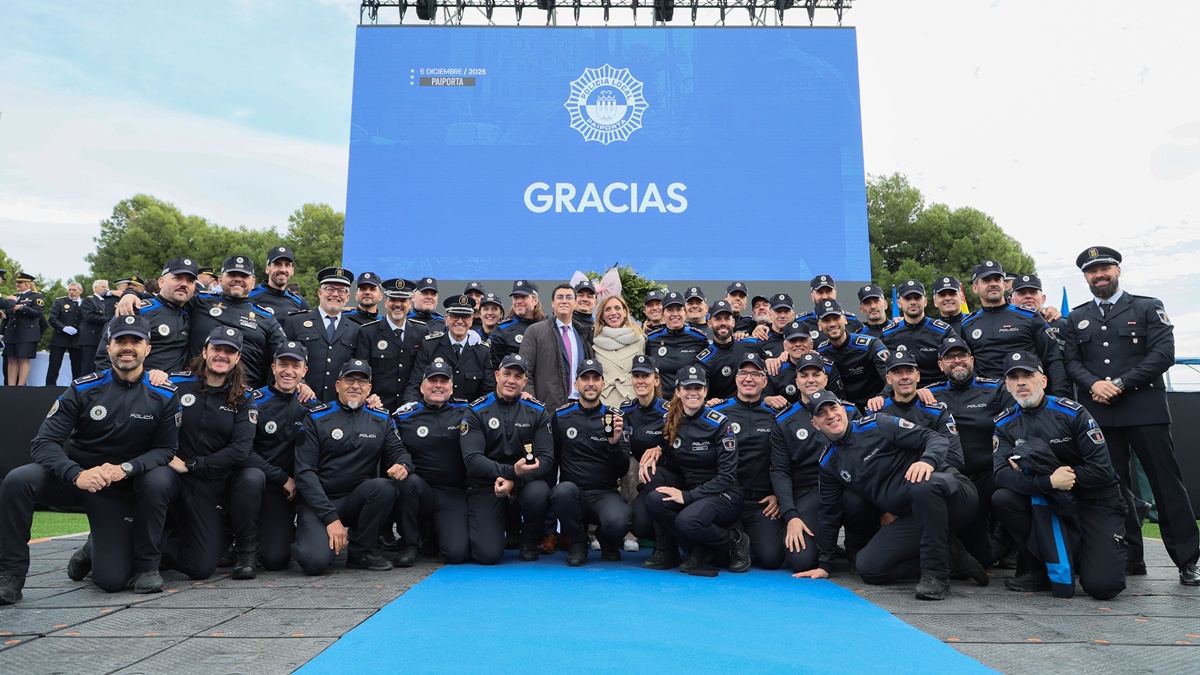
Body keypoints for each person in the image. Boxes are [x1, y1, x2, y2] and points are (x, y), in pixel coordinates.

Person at [0, 315, 177, 603]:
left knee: (112, 580)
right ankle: (10, 575)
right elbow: (44, 442)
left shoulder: (164, 395)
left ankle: (91, 549)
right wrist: (76, 474)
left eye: (135, 341)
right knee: (18, 480)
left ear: (148, 349)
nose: (127, 347)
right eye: (120, 341)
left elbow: (166, 449)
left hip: (118, 489)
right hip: (75, 479)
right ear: (109, 348)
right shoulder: (82, 388)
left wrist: (126, 468)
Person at [1062, 246, 1199, 585]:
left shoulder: (1148, 307)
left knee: (1166, 485)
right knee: (1113, 488)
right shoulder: (1077, 317)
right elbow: (1071, 362)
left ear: (1118, 270)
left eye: (1104, 268)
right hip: (1099, 412)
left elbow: (1163, 354)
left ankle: (1188, 560)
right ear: (1085, 277)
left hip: (1144, 408)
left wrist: (1119, 384)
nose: (1099, 275)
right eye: (1092, 271)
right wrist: (1093, 383)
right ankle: (1130, 557)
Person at [794, 390, 984, 600]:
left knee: (920, 484)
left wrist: (927, 461)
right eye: (822, 413)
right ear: (815, 424)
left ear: (843, 410)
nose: (830, 415)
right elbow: (829, 513)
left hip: (953, 498)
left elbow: (934, 438)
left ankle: (937, 575)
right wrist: (824, 564)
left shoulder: (878, 423)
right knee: (868, 568)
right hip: (915, 516)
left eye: (833, 408)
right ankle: (952, 559)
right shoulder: (829, 463)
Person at [991, 351, 1129, 599]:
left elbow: (1102, 470)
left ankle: (1085, 554)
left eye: (1028, 375)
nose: (1021, 382)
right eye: (1014, 378)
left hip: (1094, 500)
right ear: (1007, 385)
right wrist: (1050, 481)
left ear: (1043, 380)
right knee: (1003, 498)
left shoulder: (1073, 413)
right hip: (1047, 500)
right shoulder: (1004, 424)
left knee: (1103, 586)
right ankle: (1040, 568)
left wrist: (1066, 478)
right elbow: (1001, 475)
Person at [291, 359, 412, 575]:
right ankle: (302, 536)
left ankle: (360, 552)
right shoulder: (316, 417)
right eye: (350, 380)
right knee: (315, 562)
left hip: (356, 500)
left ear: (369, 388)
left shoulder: (381, 419)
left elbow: (399, 451)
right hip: (320, 502)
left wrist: (403, 464)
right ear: (338, 385)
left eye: (362, 381)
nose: (355, 386)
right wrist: (330, 518)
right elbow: (304, 473)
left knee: (384, 487)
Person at [158, 327, 257, 581]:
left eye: (229, 351)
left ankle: (135, 542)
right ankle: (116, 543)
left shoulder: (244, 397)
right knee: (155, 483)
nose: (222, 355)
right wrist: (152, 375)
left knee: (201, 567)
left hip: (207, 484)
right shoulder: (175, 384)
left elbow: (240, 449)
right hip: (169, 478)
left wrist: (193, 465)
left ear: (237, 358)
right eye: (217, 349)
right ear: (204, 351)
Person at [117, 255, 288, 389]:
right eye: (232, 274)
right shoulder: (200, 302)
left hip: (243, 393)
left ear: (253, 282)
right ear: (220, 279)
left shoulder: (265, 317)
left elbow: (284, 353)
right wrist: (131, 295)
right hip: (194, 389)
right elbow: (166, 298)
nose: (238, 279)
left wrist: (298, 381)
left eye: (244, 275)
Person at [643, 366, 749, 573]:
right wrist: (657, 451)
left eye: (698, 388)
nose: (693, 392)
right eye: (687, 388)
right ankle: (696, 549)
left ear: (705, 391)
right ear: (678, 391)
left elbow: (727, 476)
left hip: (724, 494)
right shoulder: (671, 420)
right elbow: (675, 456)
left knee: (687, 521)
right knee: (655, 500)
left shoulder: (719, 423)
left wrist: (688, 496)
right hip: (694, 492)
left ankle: (735, 540)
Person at [926, 336, 1013, 567]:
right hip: (955, 480)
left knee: (1013, 488)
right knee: (981, 559)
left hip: (990, 475)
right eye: (949, 357)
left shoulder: (996, 389)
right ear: (940, 365)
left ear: (972, 360)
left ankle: (1005, 534)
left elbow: (1017, 424)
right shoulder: (928, 394)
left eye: (962, 355)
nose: (957, 361)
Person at [459, 354, 554, 563]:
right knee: (488, 555)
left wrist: (514, 481)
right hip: (486, 485)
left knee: (539, 492)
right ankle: (506, 528)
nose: (511, 380)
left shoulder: (537, 411)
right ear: (496, 375)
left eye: (518, 376)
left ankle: (528, 540)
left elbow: (547, 459)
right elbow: (472, 460)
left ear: (525, 382)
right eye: (507, 374)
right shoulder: (476, 410)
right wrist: (510, 472)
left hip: (524, 484)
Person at [235, 341, 319, 575]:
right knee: (274, 559)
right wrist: (282, 478)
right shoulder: (253, 401)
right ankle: (244, 543)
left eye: (295, 366)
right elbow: (243, 452)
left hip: (299, 487)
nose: (288, 371)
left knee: (283, 557)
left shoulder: (312, 405)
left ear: (304, 371)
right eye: (283, 364)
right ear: (273, 367)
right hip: (268, 484)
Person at [551, 360, 632, 565]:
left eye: (596, 379)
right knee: (561, 492)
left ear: (603, 384)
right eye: (585, 378)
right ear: (576, 384)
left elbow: (622, 469)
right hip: (573, 493)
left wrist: (614, 444)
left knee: (620, 522)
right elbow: (552, 459)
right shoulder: (561, 416)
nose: (590, 383)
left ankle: (605, 537)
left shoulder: (616, 418)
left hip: (604, 494)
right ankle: (578, 541)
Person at [392, 361, 472, 565]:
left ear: (451, 388)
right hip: (420, 490)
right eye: (432, 380)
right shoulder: (403, 416)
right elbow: (389, 445)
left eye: (443, 381)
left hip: (452, 491)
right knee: (406, 482)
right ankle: (410, 543)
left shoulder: (467, 411)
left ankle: (433, 536)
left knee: (456, 554)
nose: (438, 385)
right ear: (421, 387)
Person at [711, 354, 785, 570]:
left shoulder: (778, 415)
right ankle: (738, 538)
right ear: (736, 378)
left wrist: (778, 496)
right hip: (727, 499)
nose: (748, 379)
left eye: (755, 374)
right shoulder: (717, 412)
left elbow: (785, 461)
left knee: (771, 559)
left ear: (765, 381)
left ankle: (752, 539)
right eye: (743, 373)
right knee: (719, 559)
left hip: (762, 502)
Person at [769, 354, 840, 573]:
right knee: (801, 561)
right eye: (804, 375)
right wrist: (791, 515)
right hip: (809, 492)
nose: (811, 380)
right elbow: (780, 471)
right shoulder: (784, 421)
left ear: (825, 379)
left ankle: (857, 546)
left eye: (816, 374)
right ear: (796, 381)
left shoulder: (846, 411)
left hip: (845, 488)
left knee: (857, 502)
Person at [961, 260, 1068, 396]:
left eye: (997, 279)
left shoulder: (1030, 316)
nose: (993, 283)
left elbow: (1053, 359)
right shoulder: (967, 324)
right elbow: (966, 366)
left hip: (1027, 395)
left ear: (1004, 285)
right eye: (986, 280)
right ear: (975, 288)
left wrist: (1060, 396)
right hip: (987, 398)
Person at [622, 355, 679, 569]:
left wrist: (660, 448)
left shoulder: (670, 410)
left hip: (673, 477)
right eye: (636, 376)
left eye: (645, 376)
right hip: (647, 480)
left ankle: (665, 550)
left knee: (654, 476)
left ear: (656, 380)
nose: (640, 381)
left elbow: (681, 447)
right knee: (636, 521)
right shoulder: (626, 410)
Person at [96, 257, 197, 374]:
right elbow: (105, 355)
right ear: (161, 282)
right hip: (141, 384)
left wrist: (130, 293)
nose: (184, 284)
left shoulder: (191, 311)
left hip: (176, 384)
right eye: (177, 278)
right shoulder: (138, 310)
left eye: (190, 281)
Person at [283, 267, 369, 402]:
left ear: (348, 297)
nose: (335, 294)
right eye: (330, 289)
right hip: (299, 399)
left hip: (336, 405)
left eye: (341, 291)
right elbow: (280, 361)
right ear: (320, 293)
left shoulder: (355, 329)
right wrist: (300, 383)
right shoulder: (296, 322)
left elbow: (359, 371)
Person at [407, 295, 495, 404]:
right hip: (434, 410)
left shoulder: (482, 351)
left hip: (468, 412)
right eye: (455, 316)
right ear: (446, 319)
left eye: (465, 317)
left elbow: (488, 391)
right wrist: (411, 407)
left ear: (471, 320)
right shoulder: (429, 346)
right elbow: (415, 384)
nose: (460, 321)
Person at [519, 283, 594, 409]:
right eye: (560, 297)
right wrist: (532, 403)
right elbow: (525, 370)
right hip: (547, 408)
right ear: (552, 303)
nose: (564, 301)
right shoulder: (535, 331)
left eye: (569, 297)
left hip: (580, 406)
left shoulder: (583, 334)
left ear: (575, 303)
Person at [359, 278, 428, 411]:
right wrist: (370, 397)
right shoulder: (368, 332)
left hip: (411, 405)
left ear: (410, 303)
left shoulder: (421, 331)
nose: (397, 304)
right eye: (393, 300)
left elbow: (421, 371)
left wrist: (411, 401)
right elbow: (363, 372)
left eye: (402, 300)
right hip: (377, 406)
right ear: (385, 303)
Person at [814, 300, 890, 408]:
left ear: (845, 319)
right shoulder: (821, 352)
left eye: (836, 318)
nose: (832, 324)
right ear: (819, 326)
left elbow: (891, 376)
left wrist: (882, 396)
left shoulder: (871, 345)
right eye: (826, 320)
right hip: (843, 410)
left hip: (877, 406)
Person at [880, 280, 954, 386]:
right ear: (899, 303)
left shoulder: (943, 331)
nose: (913, 302)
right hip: (902, 390)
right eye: (908, 298)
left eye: (917, 297)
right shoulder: (887, 334)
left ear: (925, 301)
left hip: (937, 389)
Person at [643, 292, 707, 398]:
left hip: (690, 400)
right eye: (670, 310)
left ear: (685, 312)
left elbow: (707, 372)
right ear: (663, 314)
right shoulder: (652, 339)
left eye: (679, 309)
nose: (675, 314)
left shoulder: (699, 338)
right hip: (661, 402)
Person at [763, 322, 842, 409]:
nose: (797, 344)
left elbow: (838, 400)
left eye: (802, 340)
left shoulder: (827, 367)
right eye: (792, 341)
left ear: (811, 344)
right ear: (785, 346)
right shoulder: (775, 369)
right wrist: (768, 399)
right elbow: (762, 398)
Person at [697, 300, 764, 401]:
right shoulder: (704, 360)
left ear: (733, 322)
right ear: (709, 323)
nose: (723, 323)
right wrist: (708, 402)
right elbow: (702, 394)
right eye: (718, 319)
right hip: (724, 409)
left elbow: (769, 371)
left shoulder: (751, 344)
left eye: (727, 319)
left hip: (755, 406)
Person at [591, 293, 646, 407]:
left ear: (625, 312)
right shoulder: (594, 340)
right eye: (608, 309)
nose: (613, 313)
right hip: (604, 401)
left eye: (617, 308)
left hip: (631, 400)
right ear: (602, 315)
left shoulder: (638, 338)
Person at [490, 280, 542, 370]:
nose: (518, 301)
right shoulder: (502, 329)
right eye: (515, 297)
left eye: (524, 297)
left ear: (535, 300)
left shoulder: (546, 327)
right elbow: (493, 367)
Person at [4, 272, 46, 386]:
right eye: (17, 282)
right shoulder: (14, 296)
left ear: (28, 284)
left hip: (27, 333)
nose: (18, 284)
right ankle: (11, 386)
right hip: (13, 332)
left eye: (21, 282)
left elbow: (38, 313)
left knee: (23, 359)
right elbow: (8, 315)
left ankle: (21, 386)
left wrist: (21, 307)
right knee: (11, 359)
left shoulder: (36, 296)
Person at [248, 246, 310, 319]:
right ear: (267, 269)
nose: (283, 270)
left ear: (292, 271)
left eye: (287, 265)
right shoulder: (250, 296)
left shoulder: (300, 302)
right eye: (277, 264)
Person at [796, 275, 864, 339]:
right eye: (820, 293)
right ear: (812, 296)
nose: (825, 297)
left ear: (835, 294)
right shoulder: (801, 322)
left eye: (829, 292)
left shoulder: (853, 322)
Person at [46, 281, 84, 383]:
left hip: (77, 339)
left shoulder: (85, 303)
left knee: (77, 368)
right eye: (70, 290)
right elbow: (53, 318)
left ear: (80, 291)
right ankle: (49, 388)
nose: (71, 292)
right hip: (60, 338)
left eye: (74, 290)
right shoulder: (60, 302)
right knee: (54, 367)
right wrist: (63, 328)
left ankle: (76, 389)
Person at [77, 279, 110, 376]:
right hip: (90, 339)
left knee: (100, 366)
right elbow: (88, 317)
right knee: (88, 367)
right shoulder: (89, 300)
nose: (106, 289)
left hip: (101, 338)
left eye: (107, 287)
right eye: (103, 287)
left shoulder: (105, 302)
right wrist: (108, 320)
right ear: (95, 288)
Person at [755, 293, 797, 359]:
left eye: (786, 312)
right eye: (778, 311)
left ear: (793, 315)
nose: (782, 316)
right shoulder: (761, 337)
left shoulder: (802, 339)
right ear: (770, 314)